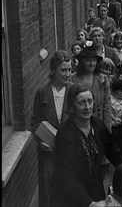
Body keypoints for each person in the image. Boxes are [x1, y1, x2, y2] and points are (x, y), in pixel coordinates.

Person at [50, 82, 122, 207]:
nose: (87, 107)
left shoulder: (98, 126)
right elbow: (65, 175)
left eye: (90, 101)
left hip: (95, 192)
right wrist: (89, 203)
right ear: (72, 105)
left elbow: (115, 154)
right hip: (71, 196)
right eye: (81, 102)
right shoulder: (65, 134)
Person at [30, 50, 73, 207]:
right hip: (48, 152)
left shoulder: (74, 92)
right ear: (53, 70)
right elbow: (35, 123)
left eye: (69, 69)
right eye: (63, 70)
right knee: (48, 189)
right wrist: (41, 140)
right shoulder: (42, 93)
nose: (68, 74)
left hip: (70, 151)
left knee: (70, 187)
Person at [71, 46, 112, 132]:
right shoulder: (73, 79)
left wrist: (107, 129)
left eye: (94, 60)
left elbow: (107, 106)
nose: (92, 63)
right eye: (88, 60)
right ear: (82, 62)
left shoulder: (102, 79)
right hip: (80, 125)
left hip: (99, 124)